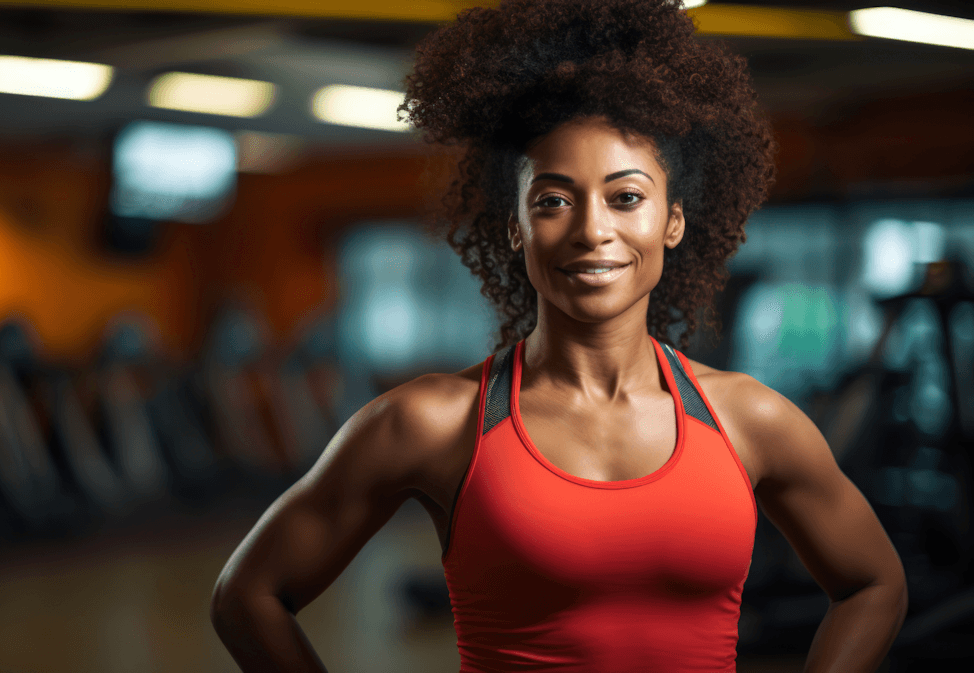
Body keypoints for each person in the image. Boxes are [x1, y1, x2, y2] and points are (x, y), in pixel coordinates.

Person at [209, 0, 907, 670]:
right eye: (553, 200)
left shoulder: (752, 420)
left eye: (626, 197)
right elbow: (248, 596)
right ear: (515, 227)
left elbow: (874, 584)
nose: (591, 229)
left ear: (673, 221)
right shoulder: (429, 422)